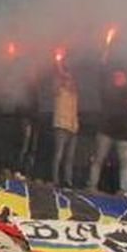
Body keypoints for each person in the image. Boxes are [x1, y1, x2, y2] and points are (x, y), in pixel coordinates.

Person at [88, 69, 127, 196]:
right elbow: (100, 81)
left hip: (124, 133)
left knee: (124, 163)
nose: (118, 78)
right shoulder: (107, 91)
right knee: (98, 159)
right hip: (106, 131)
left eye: (121, 76)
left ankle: (123, 190)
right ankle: (92, 186)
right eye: (115, 76)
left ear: (126, 78)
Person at [50, 60, 80, 188]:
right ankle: (55, 180)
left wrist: (76, 125)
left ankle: (68, 181)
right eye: (67, 79)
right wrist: (59, 68)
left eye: (71, 79)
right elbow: (55, 85)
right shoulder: (59, 91)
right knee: (59, 154)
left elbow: (75, 111)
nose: (69, 81)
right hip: (61, 126)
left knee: (70, 157)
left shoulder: (74, 94)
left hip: (72, 128)